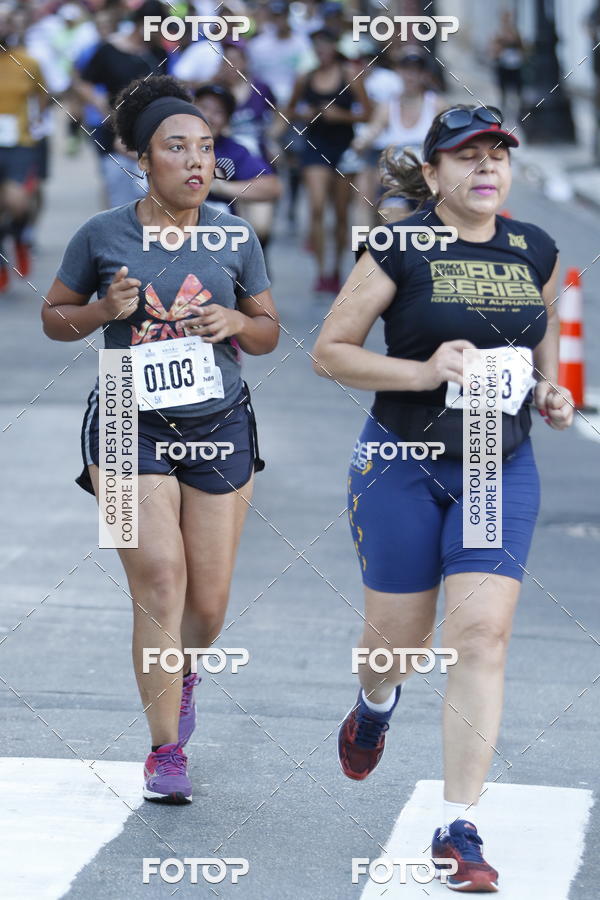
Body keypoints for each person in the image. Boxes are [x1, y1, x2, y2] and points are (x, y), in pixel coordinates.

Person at [313, 104, 574, 891]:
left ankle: (458, 825)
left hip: (499, 463)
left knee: (482, 637)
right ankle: (375, 702)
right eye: (466, 157)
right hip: (402, 460)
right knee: (397, 645)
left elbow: (541, 341)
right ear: (432, 175)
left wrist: (555, 394)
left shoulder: (535, 247)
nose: (485, 168)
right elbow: (331, 352)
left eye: (496, 154)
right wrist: (427, 372)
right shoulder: (399, 244)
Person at [42, 74, 279, 804]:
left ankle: (182, 668)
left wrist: (238, 325)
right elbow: (53, 316)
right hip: (121, 418)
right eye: (177, 147)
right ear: (142, 159)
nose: (196, 161)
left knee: (207, 604)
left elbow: (269, 332)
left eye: (206, 147)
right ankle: (164, 749)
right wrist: (101, 309)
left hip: (221, 421)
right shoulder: (101, 235)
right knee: (159, 584)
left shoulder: (235, 235)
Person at [285, 28, 371, 293]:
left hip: (343, 147)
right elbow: (289, 111)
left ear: (334, 47)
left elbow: (369, 114)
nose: (322, 50)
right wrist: (307, 113)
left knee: (341, 213)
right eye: (317, 45)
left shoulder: (350, 77)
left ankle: (335, 269)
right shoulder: (306, 78)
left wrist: (341, 116)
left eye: (326, 44)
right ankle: (321, 272)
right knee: (317, 207)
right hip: (315, 146)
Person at [352, 46, 445, 224]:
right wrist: (361, 141)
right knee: (391, 221)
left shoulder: (436, 105)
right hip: (396, 187)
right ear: (398, 72)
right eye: (406, 70)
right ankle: (369, 244)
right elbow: (374, 129)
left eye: (416, 71)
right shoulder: (388, 106)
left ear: (424, 74)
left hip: (427, 187)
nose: (411, 76)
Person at [193, 84, 281, 255]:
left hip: (218, 236)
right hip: (171, 227)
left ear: (226, 121)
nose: (209, 116)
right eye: (203, 107)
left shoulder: (233, 150)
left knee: (261, 212)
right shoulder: (170, 141)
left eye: (218, 112)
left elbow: (273, 186)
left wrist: (221, 187)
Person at [0, 1, 48, 290]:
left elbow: (42, 93)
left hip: (18, 142)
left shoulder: (27, 62)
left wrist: (35, 121)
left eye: (4, 22)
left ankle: (20, 236)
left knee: (17, 203)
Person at [490, 11, 525, 119]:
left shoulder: (515, 32)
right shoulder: (498, 33)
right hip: (503, 65)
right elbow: (493, 49)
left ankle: (518, 110)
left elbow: (521, 47)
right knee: (503, 90)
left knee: (517, 89)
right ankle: (504, 109)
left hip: (515, 65)